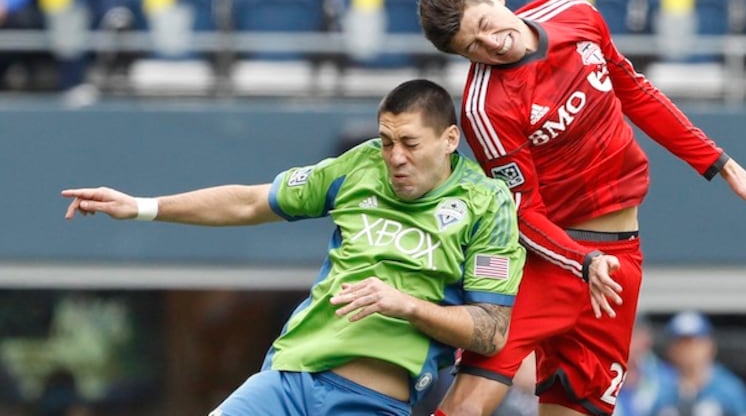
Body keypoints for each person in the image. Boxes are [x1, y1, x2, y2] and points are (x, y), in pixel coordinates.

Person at [417, 0, 746, 415]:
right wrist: (582, 261)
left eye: (485, 24)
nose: (491, 43)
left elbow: (634, 90)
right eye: (472, 47)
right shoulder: (486, 109)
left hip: (620, 263)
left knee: (578, 406)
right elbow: (525, 213)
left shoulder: (574, 13)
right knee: (468, 402)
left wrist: (718, 162)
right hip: (549, 262)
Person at [61, 79, 526, 416]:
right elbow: (247, 202)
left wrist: (406, 305)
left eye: (409, 143)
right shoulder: (360, 166)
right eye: (386, 141)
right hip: (286, 380)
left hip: (370, 402)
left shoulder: (486, 203)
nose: (395, 157)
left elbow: (490, 330)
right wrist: (141, 206)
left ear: (450, 139)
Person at [652, 311, 746, 416]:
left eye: (694, 343)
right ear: (671, 349)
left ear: (710, 345)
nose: (688, 350)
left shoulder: (729, 388)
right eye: (681, 344)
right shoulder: (658, 386)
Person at [613, 316, 670, 416]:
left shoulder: (663, 377)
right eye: (627, 335)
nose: (631, 343)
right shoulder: (604, 375)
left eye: (636, 336)